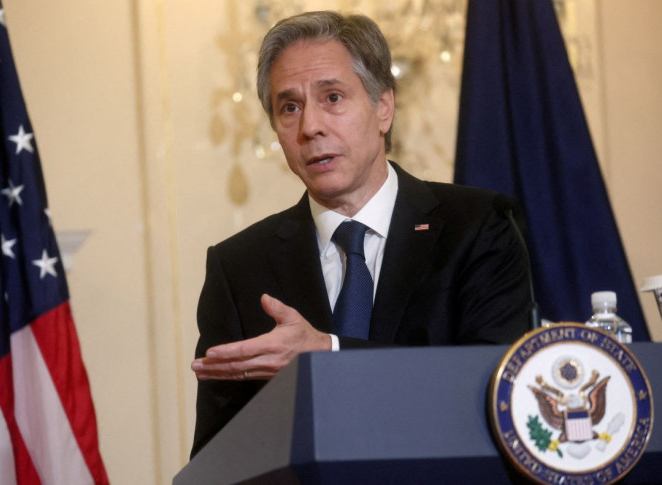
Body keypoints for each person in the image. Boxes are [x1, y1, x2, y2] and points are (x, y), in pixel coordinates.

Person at [189, 10, 529, 458]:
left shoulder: (478, 226)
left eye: (332, 97)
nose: (310, 126)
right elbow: (220, 457)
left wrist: (327, 356)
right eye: (289, 107)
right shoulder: (238, 268)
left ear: (383, 106)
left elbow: (494, 391)